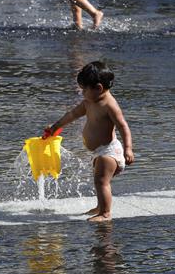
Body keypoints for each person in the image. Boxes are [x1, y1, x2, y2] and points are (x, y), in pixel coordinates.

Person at [44, 61, 134, 222]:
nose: (82, 93)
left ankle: (105, 213)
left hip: (110, 151)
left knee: (101, 181)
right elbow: (72, 115)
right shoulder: (88, 102)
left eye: (84, 89)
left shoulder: (110, 106)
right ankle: (100, 206)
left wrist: (128, 149)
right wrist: (55, 126)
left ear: (98, 88)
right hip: (99, 151)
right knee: (99, 181)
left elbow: (123, 126)